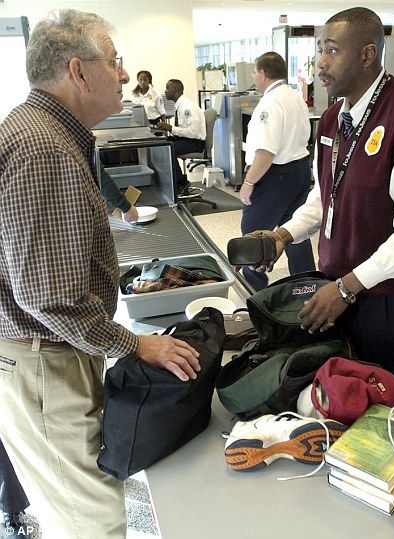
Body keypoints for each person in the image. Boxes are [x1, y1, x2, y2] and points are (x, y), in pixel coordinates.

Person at [0, 9, 200, 538]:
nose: (124, 72)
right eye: (113, 60)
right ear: (78, 70)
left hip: (57, 352)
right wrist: (133, 345)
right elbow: (47, 295)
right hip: (45, 360)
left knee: (88, 489)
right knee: (89, 518)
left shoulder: (54, 134)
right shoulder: (43, 146)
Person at [246, 7, 394, 414]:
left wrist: (346, 288)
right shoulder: (333, 120)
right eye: (320, 49)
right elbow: (325, 197)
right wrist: (283, 235)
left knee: (390, 399)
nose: (321, 61)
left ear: (367, 54)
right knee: (346, 397)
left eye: (333, 50)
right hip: (338, 286)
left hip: (389, 297)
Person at [240, 51, 315, 290]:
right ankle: (306, 285)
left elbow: (265, 152)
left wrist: (249, 183)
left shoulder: (270, 103)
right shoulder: (294, 96)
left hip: (275, 175)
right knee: (295, 231)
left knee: (252, 234)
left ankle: (255, 289)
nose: (254, 76)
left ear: (263, 73)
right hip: (300, 170)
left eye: (254, 72)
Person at [156, 79, 206, 193]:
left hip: (195, 142)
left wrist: (171, 128)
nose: (165, 91)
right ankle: (170, 181)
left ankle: (180, 183)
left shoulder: (187, 106)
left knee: (168, 148)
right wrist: (167, 129)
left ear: (174, 89)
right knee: (160, 143)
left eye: (167, 88)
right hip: (186, 139)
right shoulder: (179, 105)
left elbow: (193, 132)